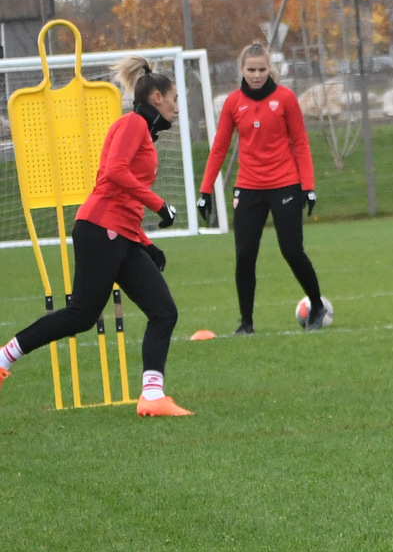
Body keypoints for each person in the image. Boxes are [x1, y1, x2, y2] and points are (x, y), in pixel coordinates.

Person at [0, 56, 195, 416]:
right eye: (174, 99)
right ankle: (4, 357)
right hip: (99, 229)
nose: (177, 109)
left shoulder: (143, 133)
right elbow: (113, 173)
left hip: (120, 233)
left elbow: (122, 196)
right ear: (156, 98)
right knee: (81, 316)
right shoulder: (132, 124)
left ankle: (152, 395)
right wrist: (159, 205)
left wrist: (146, 244)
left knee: (163, 311)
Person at [198, 42, 326, 334]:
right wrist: (205, 191)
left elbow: (301, 143)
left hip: (286, 184)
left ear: (271, 69)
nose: (257, 75)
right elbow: (219, 148)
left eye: (262, 69)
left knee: (292, 251)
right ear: (241, 70)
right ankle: (246, 323)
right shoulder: (233, 103)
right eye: (251, 69)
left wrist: (308, 186)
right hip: (249, 187)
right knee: (244, 255)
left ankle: (317, 306)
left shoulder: (286, 98)